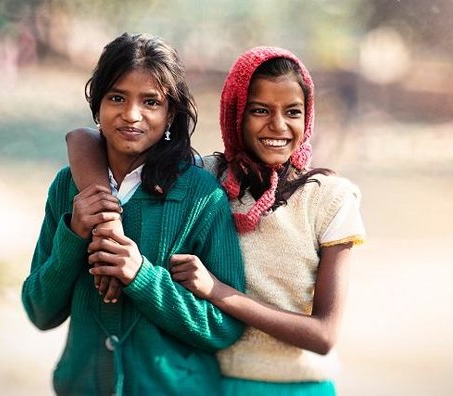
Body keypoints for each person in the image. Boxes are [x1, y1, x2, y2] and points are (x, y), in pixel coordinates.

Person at [67, 46, 365, 395]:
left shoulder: (330, 198)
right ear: (235, 112)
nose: (278, 125)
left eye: (293, 111)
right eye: (259, 110)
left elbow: (324, 335)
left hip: (297, 386)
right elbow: (83, 138)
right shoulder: (207, 180)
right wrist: (110, 228)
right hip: (213, 384)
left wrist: (218, 292)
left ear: (308, 116)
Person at [22, 33, 245, 396]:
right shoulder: (68, 187)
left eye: (151, 102)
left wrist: (140, 276)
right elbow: (39, 310)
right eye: (117, 97)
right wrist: (74, 235)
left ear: (171, 113)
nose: (131, 114)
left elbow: (224, 326)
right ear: (97, 105)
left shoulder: (201, 195)